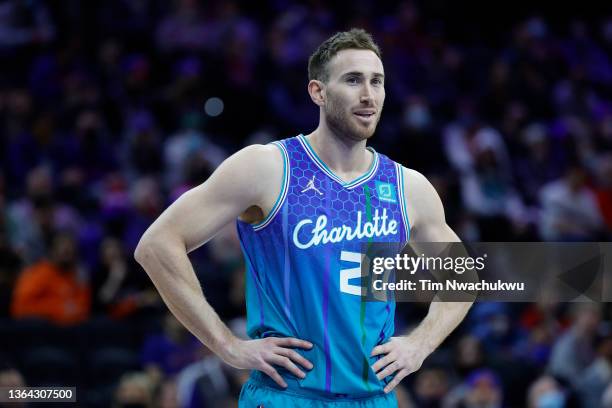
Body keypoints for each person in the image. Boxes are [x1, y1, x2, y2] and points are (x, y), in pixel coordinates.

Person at [135, 28, 472, 407]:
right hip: (287, 396)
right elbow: (156, 245)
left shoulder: (407, 187)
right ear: (318, 92)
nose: (368, 94)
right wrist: (227, 346)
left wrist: (420, 344)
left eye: (377, 82)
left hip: (373, 399)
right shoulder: (267, 167)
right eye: (353, 80)